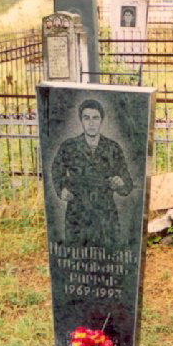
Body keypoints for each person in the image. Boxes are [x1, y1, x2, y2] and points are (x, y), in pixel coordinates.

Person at [52, 99, 133, 246]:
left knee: (108, 259)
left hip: (105, 217)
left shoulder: (113, 148)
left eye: (95, 118)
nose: (91, 123)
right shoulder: (69, 146)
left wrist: (120, 184)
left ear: (101, 120)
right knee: (77, 257)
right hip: (78, 215)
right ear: (81, 121)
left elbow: (127, 183)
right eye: (86, 118)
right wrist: (61, 189)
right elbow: (57, 170)